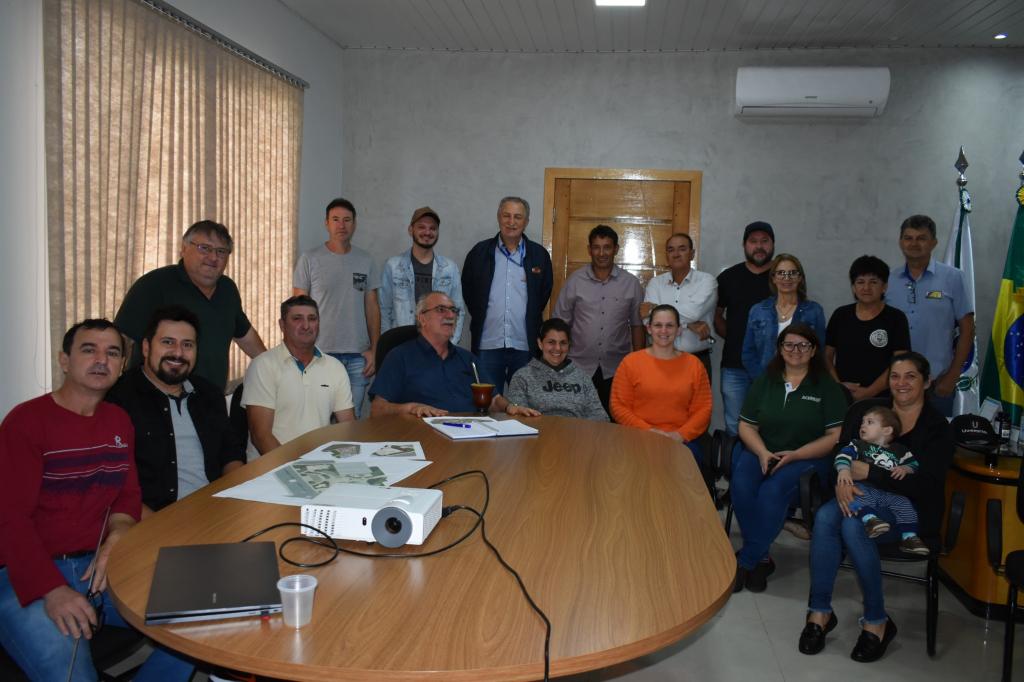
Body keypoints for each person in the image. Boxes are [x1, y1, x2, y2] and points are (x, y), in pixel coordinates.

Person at [0, 319, 193, 681]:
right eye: (89, 350)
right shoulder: (25, 422)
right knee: (71, 669)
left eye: (113, 353)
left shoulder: (118, 421)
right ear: (64, 360)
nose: (102, 360)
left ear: (122, 366)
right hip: (24, 572)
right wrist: (52, 589)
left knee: (200, 617)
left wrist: (119, 532)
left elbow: (126, 495)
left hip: (98, 567)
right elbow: (10, 519)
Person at [800, 352, 954, 662]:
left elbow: (926, 486)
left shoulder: (937, 427)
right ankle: (819, 612)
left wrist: (870, 473)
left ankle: (876, 619)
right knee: (827, 516)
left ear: (926, 382)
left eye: (910, 376)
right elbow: (839, 457)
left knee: (851, 524)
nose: (901, 383)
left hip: (909, 513)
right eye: (895, 376)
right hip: (859, 496)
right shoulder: (867, 413)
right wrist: (842, 480)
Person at [732, 323, 846, 593]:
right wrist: (762, 452)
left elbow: (835, 436)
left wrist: (796, 455)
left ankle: (746, 560)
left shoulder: (827, 387)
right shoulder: (765, 381)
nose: (796, 350)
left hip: (807, 457)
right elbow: (746, 425)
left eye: (804, 345)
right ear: (780, 349)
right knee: (741, 485)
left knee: (772, 491)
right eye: (789, 344)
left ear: (814, 350)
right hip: (763, 449)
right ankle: (761, 557)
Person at [106, 306, 245, 514]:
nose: (178, 353)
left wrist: (234, 499)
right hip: (154, 520)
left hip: (217, 511)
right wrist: (160, 527)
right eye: (168, 342)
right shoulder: (118, 400)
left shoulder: (209, 394)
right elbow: (114, 486)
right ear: (146, 347)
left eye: (187, 345)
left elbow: (231, 453)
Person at [115, 220, 266, 389]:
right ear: (184, 249)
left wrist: (274, 369)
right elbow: (122, 340)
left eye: (221, 251)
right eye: (204, 248)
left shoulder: (227, 289)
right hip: (154, 395)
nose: (213, 257)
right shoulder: (154, 284)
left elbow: (245, 336)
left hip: (210, 396)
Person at [293, 197, 381, 418]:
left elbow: (372, 307)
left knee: (351, 421)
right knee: (319, 419)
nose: (341, 225)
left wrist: (375, 349)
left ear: (354, 224)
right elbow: (298, 309)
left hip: (357, 357)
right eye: (335, 219)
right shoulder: (309, 259)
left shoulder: (366, 260)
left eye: (347, 220)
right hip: (320, 353)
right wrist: (302, 349)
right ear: (326, 223)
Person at [242, 295, 355, 456]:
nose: (306, 326)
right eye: (297, 319)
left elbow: (348, 427)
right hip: (272, 465)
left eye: (312, 319)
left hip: (321, 464)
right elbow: (260, 436)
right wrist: (292, 467)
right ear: (282, 325)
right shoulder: (263, 365)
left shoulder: (335, 368)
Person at [462, 196, 553, 391]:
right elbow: (469, 292)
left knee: (524, 401)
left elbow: (543, 295)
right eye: (506, 216)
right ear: (498, 217)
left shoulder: (539, 255)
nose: (511, 222)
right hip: (487, 344)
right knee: (487, 402)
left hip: (524, 345)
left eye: (518, 217)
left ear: (526, 221)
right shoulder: (479, 252)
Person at [887, 214, 974, 417]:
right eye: (908, 238)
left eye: (921, 238)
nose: (914, 243)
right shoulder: (888, 281)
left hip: (938, 383)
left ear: (934, 242)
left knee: (937, 436)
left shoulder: (953, 277)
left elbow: (968, 330)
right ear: (900, 242)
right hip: (896, 384)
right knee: (895, 435)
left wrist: (953, 375)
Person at [553, 225, 645, 414]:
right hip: (577, 366)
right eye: (596, 247)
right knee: (574, 420)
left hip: (617, 368)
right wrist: (557, 361)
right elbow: (560, 324)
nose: (601, 253)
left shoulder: (631, 283)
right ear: (589, 250)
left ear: (616, 249)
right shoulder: (575, 281)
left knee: (614, 420)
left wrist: (639, 363)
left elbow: (637, 325)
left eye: (607, 247)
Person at [609, 305, 712, 463]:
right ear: (649, 329)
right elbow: (618, 406)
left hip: (682, 442)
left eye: (669, 325)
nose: (664, 331)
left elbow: (703, 409)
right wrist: (648, 432)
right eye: (658, 325)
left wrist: (679, 435)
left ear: (679, 330)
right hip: (637, 438)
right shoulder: (630, 363)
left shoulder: (694, 365)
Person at [834, 406, 929, 555]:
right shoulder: (858, 445)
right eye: (862, 422)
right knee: (855, 496)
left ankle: (909, 537)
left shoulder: (900, 450)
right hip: (864, 487)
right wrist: (844, 470)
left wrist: (905, 468)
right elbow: (842, 456)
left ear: (887, 430)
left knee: (904, 504)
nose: (862, 426)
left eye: (870, 422)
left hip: (889, 491)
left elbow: (914, 465)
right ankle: (870, 520)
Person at [370, 292, 479, 417]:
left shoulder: (468, 359)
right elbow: (377, 409)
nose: (450, 315)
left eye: (453, 310)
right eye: (441, 309)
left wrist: (501, 404)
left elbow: (492, 400)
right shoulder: (399, 357)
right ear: (422, 319)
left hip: (471, 426)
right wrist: (411, 408)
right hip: (423, 427)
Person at [715, 221, 775, 435]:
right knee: (735, 425)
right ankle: (733, 459)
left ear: (773, 244)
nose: (759, 246)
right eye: (753, 241)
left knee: (771, 427)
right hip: (734, 367)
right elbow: (716, 314)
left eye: (764, 241)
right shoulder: (728, 277)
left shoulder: (783, 277)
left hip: (774, 369)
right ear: (744, 245)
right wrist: (734, 338)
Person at [825, 256, 910, 401]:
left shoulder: (896, 318)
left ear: (884, 286)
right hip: (841, 397)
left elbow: (900, 362)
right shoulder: (840, 315)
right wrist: (839, 387)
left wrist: (869, 392)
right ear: (853, 287)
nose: (866, 288)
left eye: (873, 282)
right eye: (860, 282)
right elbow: (827, 356)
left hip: (882, 398)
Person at [492, 318, 608, 421]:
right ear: (540, 344)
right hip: (539, 435)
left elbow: (600, 416)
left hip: (577, 434)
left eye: (563, 343)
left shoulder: (582, 377)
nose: (557, 348)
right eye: (551, 342)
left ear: (569, 345)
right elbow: (518, 417)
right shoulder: (522, 377)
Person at [379, 206, 466, 342]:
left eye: (432, 228)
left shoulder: (450, 269)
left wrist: (450, 345)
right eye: (421, 227)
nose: (427, 232)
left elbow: (458, 311)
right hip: (402, 344)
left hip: (438, 344)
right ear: (410, 230)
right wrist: (388, 344)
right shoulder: (393, 266)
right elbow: (384, 310)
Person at [642, 232, 718, 383]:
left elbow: (694, 313)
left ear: (692, 254)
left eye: (682, 249)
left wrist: (654, 310)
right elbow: (647, 320)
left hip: (696, 360)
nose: (676, 254)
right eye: (671, 250)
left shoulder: (707, 281)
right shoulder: (655, 283)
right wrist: (688, 324)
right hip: (660, 359)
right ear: (667, 255)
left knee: (698, 400)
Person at [741, 253, 826, 381]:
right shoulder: (758, 311)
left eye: (792, 273)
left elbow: (819, 351)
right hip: (766, 380)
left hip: (803, 381)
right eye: (781, 273)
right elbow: (748, 353)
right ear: (773, 278)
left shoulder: (814, 311)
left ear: (800, 278)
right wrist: (763, 381)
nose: (787, 278)